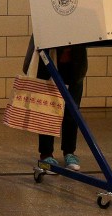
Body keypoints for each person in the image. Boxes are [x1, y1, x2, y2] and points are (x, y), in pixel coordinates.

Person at [24, 35, 88, 172]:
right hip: (49, 58)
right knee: (47, 109)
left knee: (72, 111)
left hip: (74, 63)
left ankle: (69, 152)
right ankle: (46, 154)